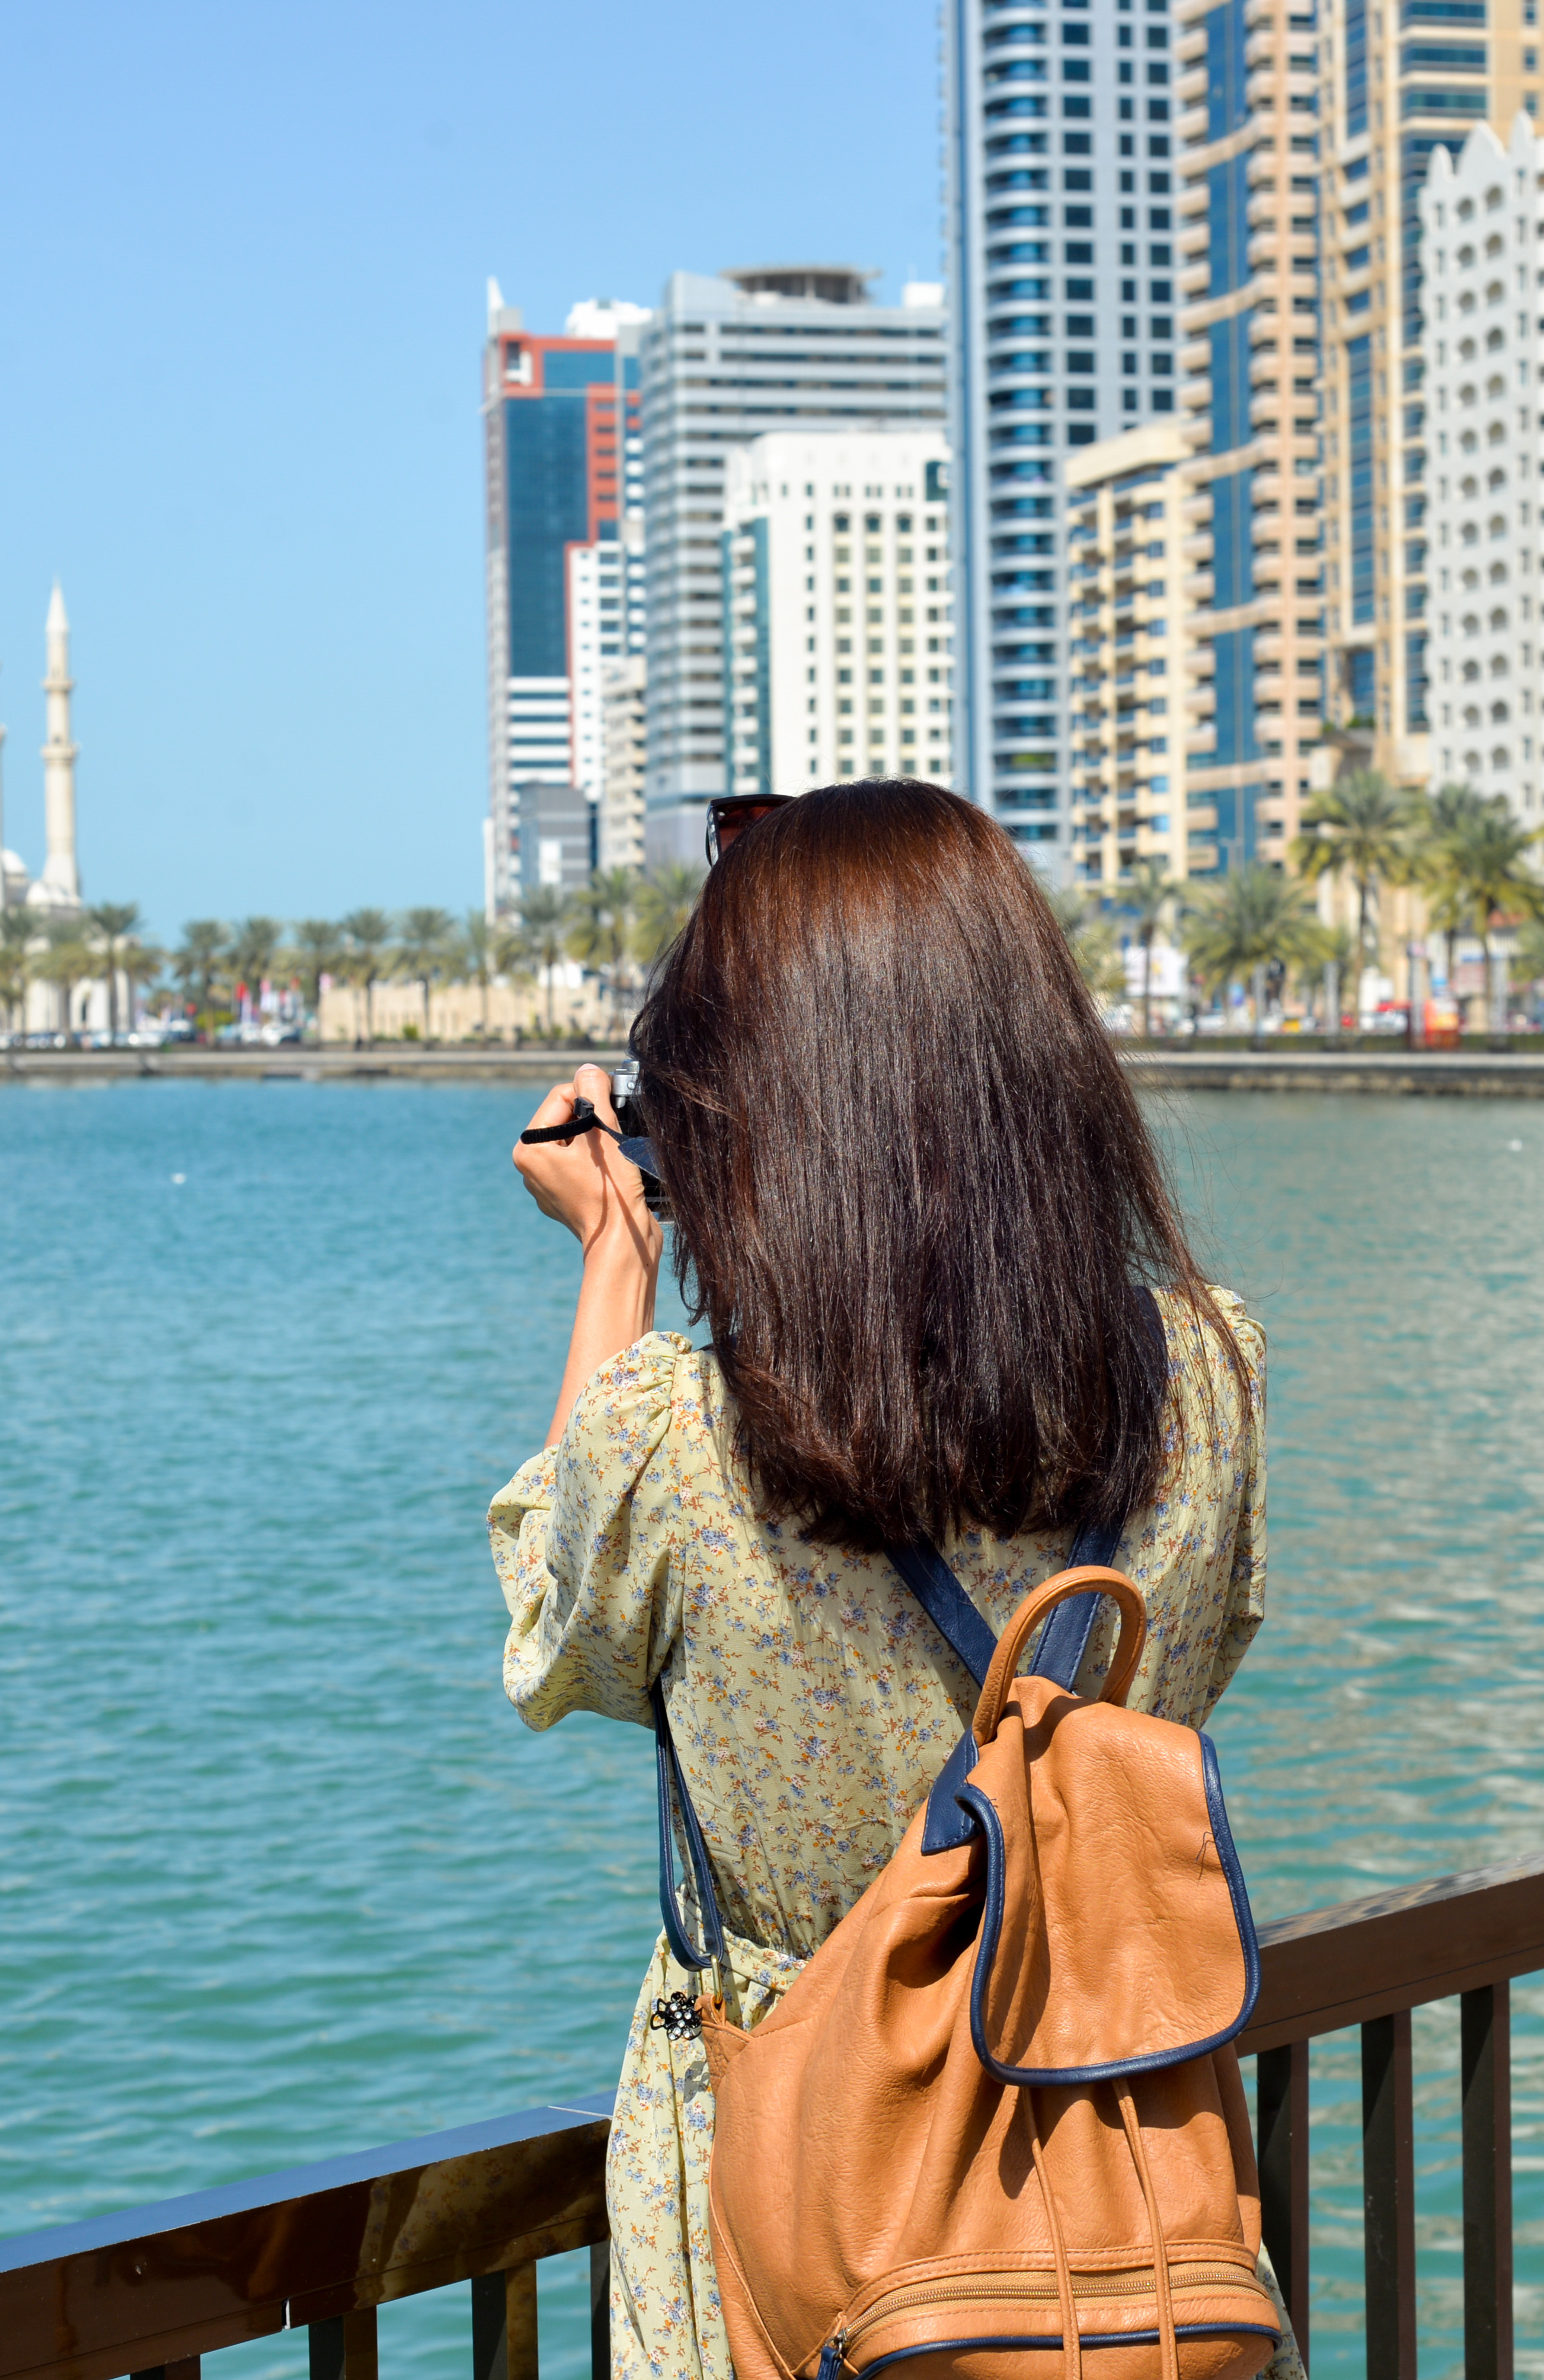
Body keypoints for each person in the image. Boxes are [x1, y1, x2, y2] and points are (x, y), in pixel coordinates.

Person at [488, 780, 1278, 2380]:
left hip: (801, 2194)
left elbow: (552, 1631)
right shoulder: (1208, 1373)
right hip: (1117, 2187)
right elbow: (1185, 1671)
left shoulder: (682, 1439)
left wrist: (616, 1259)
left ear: (748, 1099)